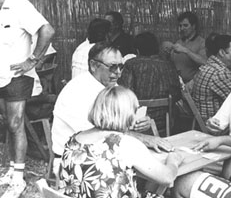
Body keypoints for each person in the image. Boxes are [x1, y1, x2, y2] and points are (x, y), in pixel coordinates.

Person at [58, 86, 184, 198]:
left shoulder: (75, 139)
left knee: (146, 197)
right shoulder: (124, 144)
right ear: (126, 114)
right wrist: (173, 161)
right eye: (135, 109)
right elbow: (167, 178)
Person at [52, 43, 172, 175]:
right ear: (93, 65)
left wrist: (141, 121)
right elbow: (98, 135)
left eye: (121, 66)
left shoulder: (107, 85)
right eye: (112, 67)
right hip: (75, 162)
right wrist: (143, 138)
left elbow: (116, 125)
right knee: (159, 171)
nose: (118, 73)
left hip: (97, 155)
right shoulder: (79, 91)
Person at [0, 0, 55, 198]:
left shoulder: (20, 5)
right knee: (8, 122)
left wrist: (32, 60)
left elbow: (47, 30)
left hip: (17, 76)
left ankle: (19, 179)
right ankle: (12, 168)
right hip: (1, 75)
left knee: (15, 123)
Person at [118, 32, 181, 135]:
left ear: (137, 50)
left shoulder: (131, 64)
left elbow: (124, 93)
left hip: (139, 122)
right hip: (166, 122)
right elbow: (177, 94)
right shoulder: (168, 64)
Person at [191, 34, 231, 122]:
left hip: (206, 122)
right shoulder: (219, 73)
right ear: (222, 52)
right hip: (216, 126)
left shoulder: (210, 66)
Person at [165, 12, 207, 86]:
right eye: (180, 26)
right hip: (176, 84)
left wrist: (186, 51)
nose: (182, 28)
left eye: (185, 25)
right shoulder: (179, 42)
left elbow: (204, 62)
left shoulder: (202, 42)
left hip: (193, 85)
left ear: (194, 26)